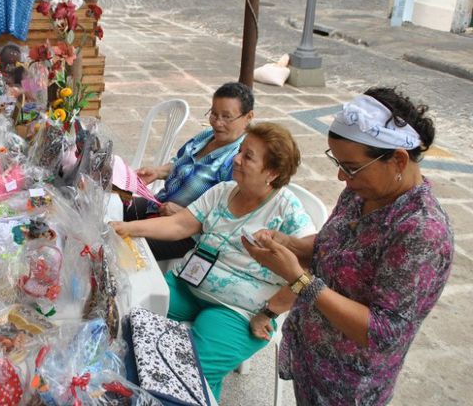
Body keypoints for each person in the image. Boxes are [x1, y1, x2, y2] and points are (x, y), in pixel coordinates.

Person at [242, 88, 453, 406]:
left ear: (397, 159)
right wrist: (290, 245)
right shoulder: (362, 191)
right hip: (312, 360)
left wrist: (300, 279)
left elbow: (384, 332)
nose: (342, 176)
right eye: (339, 163)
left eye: (351, 167)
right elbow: (336, 246)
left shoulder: (421, 232)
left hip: (349, 385)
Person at [111, 122, 315, 400]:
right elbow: (180, 225)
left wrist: (269, 313)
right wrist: (125, 228)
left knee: (193, 371)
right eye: (240, 151)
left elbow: (307, 270)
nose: (236, 158)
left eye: (248, 156)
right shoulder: (223, 191)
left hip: (238, 309)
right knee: (126, 317)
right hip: (188, 284)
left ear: (273, 172)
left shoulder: (287, 210)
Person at [130, 82, 254, 260]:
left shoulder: (236, 160)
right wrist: (158, 172)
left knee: (126, 247)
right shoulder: (206, 136)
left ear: (248, 116)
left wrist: (185, 214)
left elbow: (225, 220)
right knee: (113, 208)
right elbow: (180, 162)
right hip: (158, 204)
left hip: (186, 234)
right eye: (214, 114)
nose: (217, 123)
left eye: (227, 117)